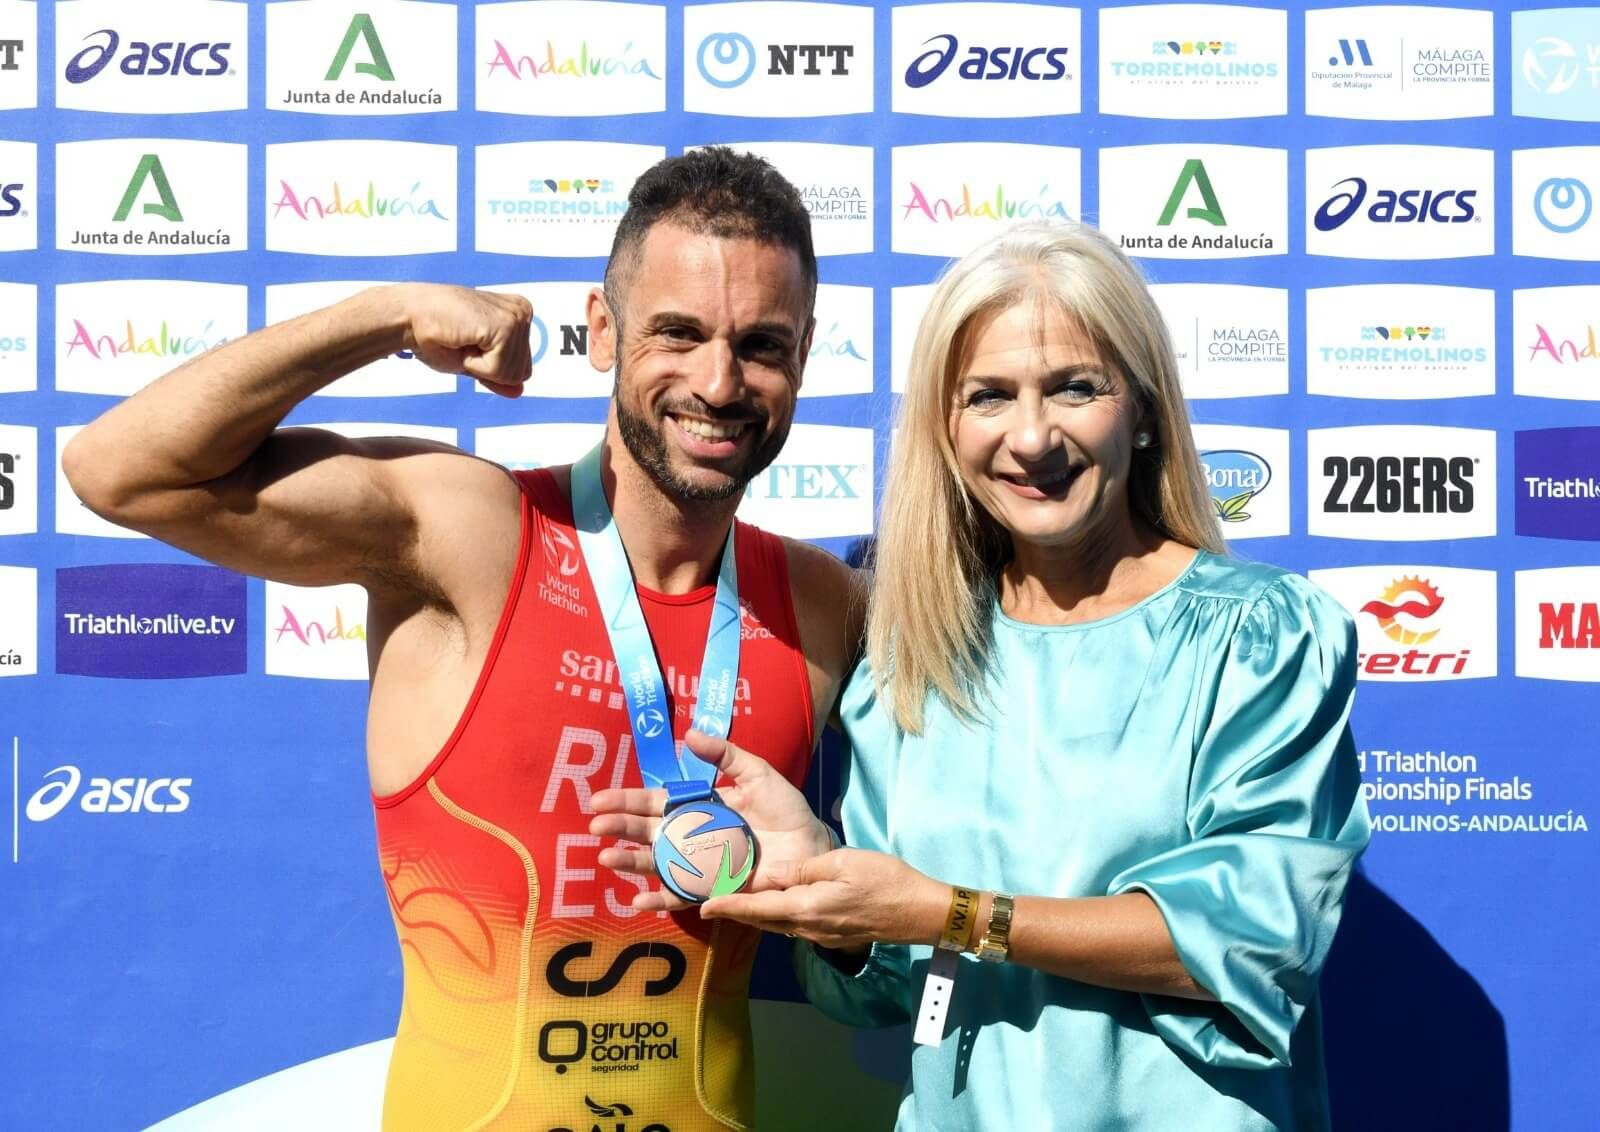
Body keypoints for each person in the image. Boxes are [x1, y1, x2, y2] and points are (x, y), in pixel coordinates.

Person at [62, 148, 861, 1132]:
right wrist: (387, 315)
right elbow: (119, 470)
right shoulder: (474, 538)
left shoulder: (821, 607)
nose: (718, 380)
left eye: (761, 344)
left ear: (804, 355)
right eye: (678, 333)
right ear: (602, 330)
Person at [591, 220, 1372, 1130]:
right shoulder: (912, 654)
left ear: (1144, 409)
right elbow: (881, 992)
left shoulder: (1256, 635)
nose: (1031, 436)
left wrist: (950, 913)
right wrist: (824, 880)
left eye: (1075, 387)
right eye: (989, 396)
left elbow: (1256, 940)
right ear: (947, 427)